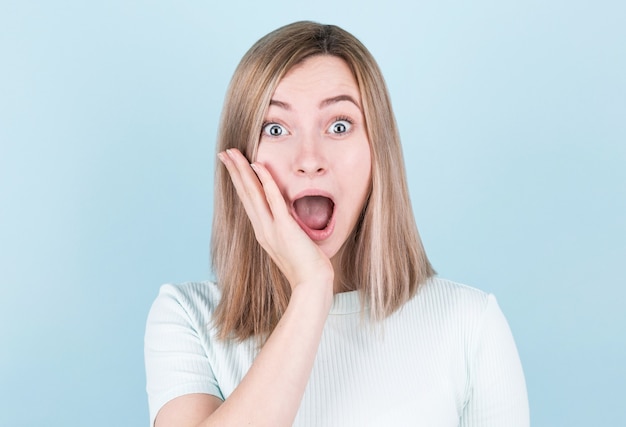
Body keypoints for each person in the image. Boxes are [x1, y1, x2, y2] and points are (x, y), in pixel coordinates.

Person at [144, 21, 529, 427]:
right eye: (275, 128)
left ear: (377, 152)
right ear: (239, 158)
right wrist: (311, 290)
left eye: (339, 126)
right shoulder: (187, 318)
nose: (309, 158)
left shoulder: (471, 324)